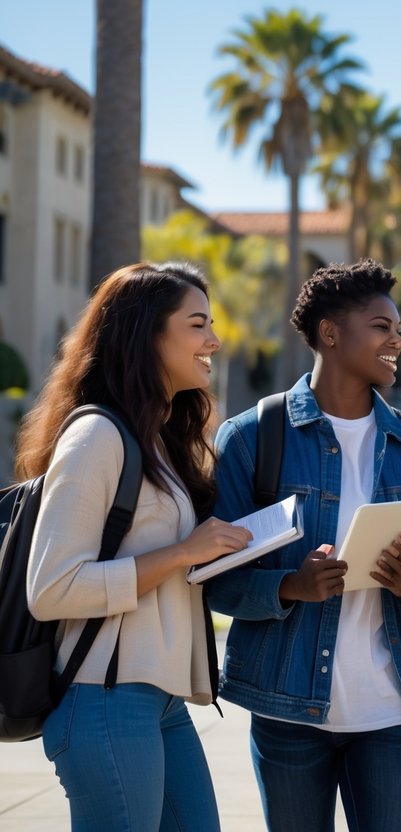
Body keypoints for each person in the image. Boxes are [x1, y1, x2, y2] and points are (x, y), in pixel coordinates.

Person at [207, 259, 401, 832]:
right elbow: (213, 580)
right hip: (286, 711)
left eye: (398, 328)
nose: (397, 338)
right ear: (330, 332)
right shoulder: (253, 437)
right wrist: (290, 587)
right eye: (381, 326)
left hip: (392, 714)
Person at [23, 262, 254, 830]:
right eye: (197, 324)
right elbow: (50, 589)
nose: (214, 341)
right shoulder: (96, 435)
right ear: (147, 333)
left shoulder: (157, 442)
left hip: (162, 700)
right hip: (105, 699)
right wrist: (180, 553)